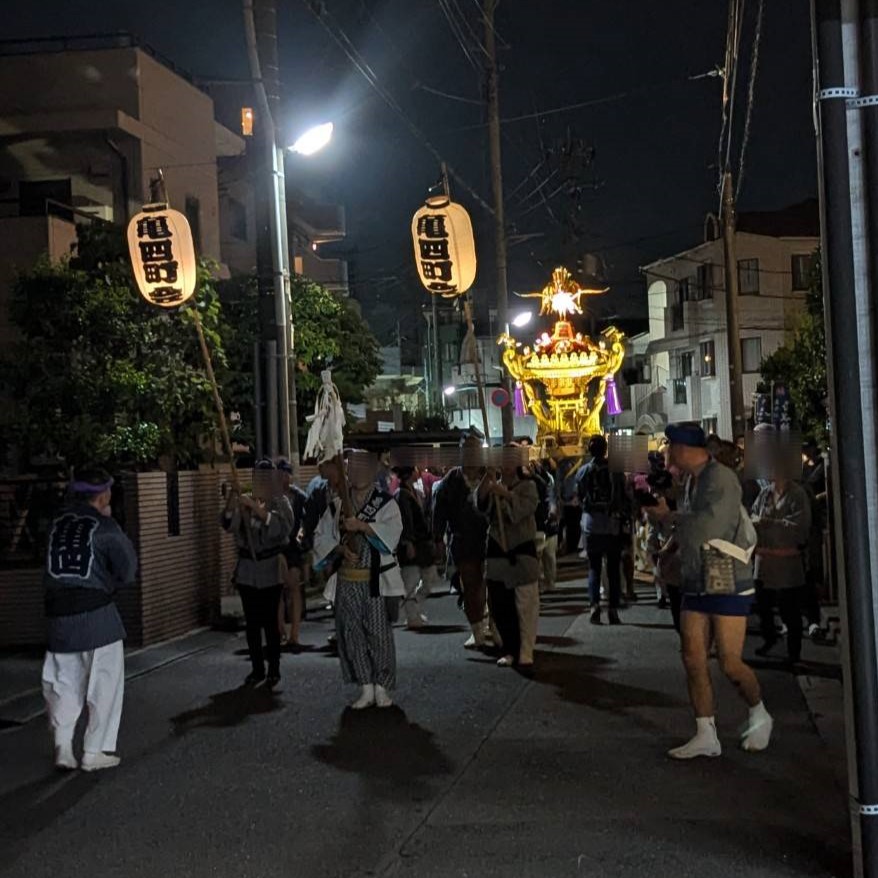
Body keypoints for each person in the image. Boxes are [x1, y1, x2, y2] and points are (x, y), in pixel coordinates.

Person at [649, 422, 770, 759]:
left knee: (729, 662)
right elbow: (688, 525)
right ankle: (705, 731)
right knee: (692, 656)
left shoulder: (721, 478)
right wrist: (668, 546)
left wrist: (668, 516)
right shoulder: (692, 480)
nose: (668, 453)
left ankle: (759, 712)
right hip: (697, 575)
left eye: (670, 446)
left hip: (727, 574)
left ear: (684, 448)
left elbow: (707, 526)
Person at [42, 467, 138, 771]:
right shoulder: (106, 527)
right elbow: (128, 570)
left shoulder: (55, 524)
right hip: (99, 618)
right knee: (104, 685)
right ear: (105, 494)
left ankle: (63, 746)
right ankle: (94, 751)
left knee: (62, 685)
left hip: (58, 620)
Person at [314, 450, 404, 709]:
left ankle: (382, 685)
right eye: (352, 468)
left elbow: (392, 535)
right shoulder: (338, 504)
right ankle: (364, 685)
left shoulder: (385, 503)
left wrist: (363, 527)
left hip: (375, 579)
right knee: (351, 632)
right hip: (347, 579)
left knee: (378, 632)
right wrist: (340, 549)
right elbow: (321, 537)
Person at [221, 460, 293, 688]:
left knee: (270, 622)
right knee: (252, 623)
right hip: (247, 569)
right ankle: (256, 668)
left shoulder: (279, 500)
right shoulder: (244, 498)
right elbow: (227, 523)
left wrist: (257, 509)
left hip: (270, 567)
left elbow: (284, 529)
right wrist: (233, 499)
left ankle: (273, 668)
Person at [477, 447, 541, 668]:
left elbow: (523, 510)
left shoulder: (529, 486)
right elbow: (480, 504)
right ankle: (509, 648)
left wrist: (504, 493)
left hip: (521, 549)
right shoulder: (492, 482)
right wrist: (489, 478)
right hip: (497, 548)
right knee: (500, 605)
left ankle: (526, 650)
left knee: (525, 605)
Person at [751, 454, 812, 664]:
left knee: (790, 609)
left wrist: (769, 523)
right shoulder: (765, 493)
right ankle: (770, 638)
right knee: (763, 606)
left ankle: (794, 652)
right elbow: (753, 517)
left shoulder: (797, 494)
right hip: (764, 562)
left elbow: (799, 528)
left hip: (787, 562)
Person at [432, 435, 490, 649]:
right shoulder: (451, 480)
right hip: (463, 541)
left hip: (491, 539)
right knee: (470, 586)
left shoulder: (490, 475)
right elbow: (439, 512)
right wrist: (437, 538)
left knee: (490, 585)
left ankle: (492, 624)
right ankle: (477, 629)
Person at [577, 435, 626, 625]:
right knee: (613, 569)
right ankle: (613, 609)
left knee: (594, 568)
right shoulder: (615, 471)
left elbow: (580, 496)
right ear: (605, 449)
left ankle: (594, 605)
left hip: (591, 525)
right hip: (612, 524)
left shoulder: (583, 472)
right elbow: (622, 495)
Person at [395, 465, 438, 629]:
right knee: (411, 581)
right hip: (412, 543)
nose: (419, 471)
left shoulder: (411, 491)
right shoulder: (403, 494)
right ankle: (412, 616)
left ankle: (414, 610)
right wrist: (408, 542)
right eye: (415, 469)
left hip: (421, 542)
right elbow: (406, 520)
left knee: (429, 578)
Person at [277, 459, 308, 649]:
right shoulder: (271, 497)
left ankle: (294, 633)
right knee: (278, 590)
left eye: (287, 474)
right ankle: (280, 631)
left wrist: (302, 538)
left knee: (294, 587)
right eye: (281, 474)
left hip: (294, 548)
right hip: (276, 547)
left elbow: (307, 521)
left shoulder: (300, 497)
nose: (284, 478)